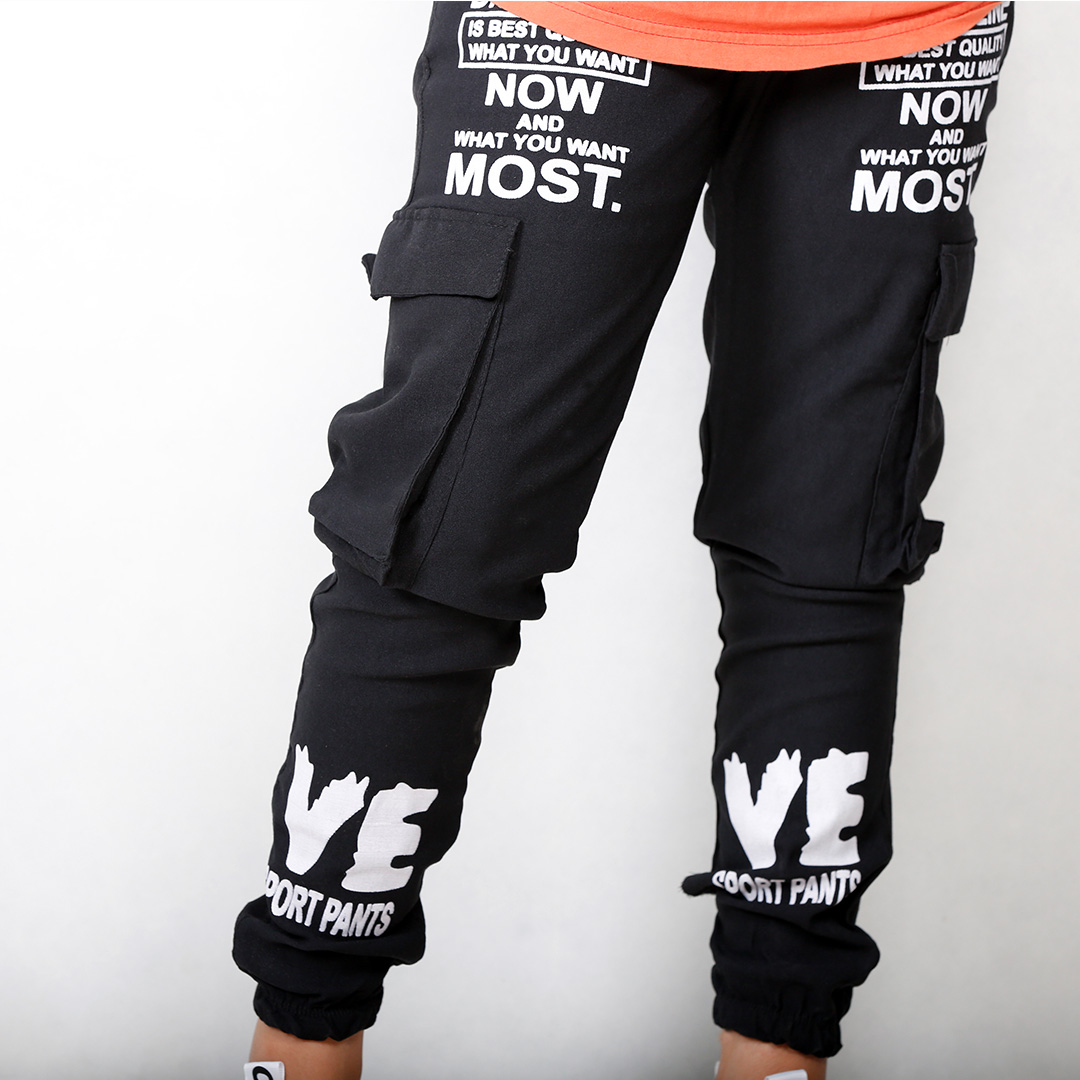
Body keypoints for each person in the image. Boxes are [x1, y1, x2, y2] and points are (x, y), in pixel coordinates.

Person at [231, 3, 1014, 1077]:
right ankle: (299, 1044)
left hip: (904, 23)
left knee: (829, 535)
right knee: (445, 523)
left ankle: (779, 1054)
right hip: (577, 18)